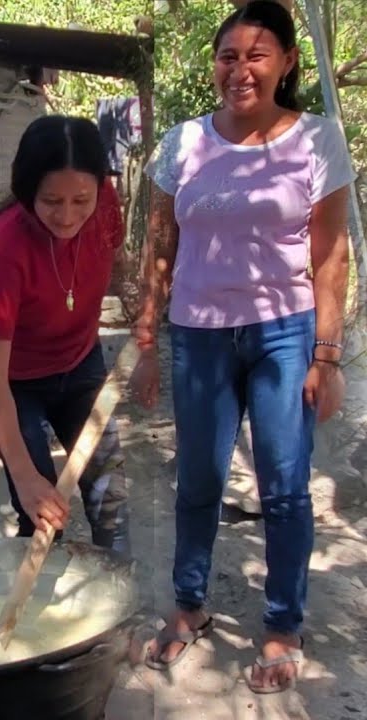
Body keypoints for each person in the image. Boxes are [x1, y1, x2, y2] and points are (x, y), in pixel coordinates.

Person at [132, 0, 352, 694]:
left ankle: (283, 624)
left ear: (286, 62)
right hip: (198, 335)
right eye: (229, 55)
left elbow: (331, 256)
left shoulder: (318, 140)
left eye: (258, 55)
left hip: (285, 333)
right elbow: (160, 244)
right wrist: (145, 336)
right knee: (197, 479)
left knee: (285, 487)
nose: (241, 70)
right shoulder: (183, 144)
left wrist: (327, 356)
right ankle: (189, 606)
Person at [0, 115, 131, 553]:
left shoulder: (105, 206)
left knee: (111, 502)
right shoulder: (6, 248)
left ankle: (120, 611)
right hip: (17, 385)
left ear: (100, 187)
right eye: (50, 201)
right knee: (42, 516)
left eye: (81, 200)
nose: (67, 216)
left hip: (82, 365)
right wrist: (24, 476)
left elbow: (116, 265)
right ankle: (35, 616)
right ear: (27, 193)